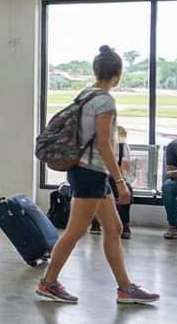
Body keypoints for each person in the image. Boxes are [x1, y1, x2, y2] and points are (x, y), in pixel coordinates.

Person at [37, 46, 158, 305]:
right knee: (75, 231)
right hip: (90, 172)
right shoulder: (105, 101)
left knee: (114, 228)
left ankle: (125, 288)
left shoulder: (86, 95)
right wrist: (120, 181)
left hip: (89, 172)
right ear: (117, 74)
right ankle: (48, 283)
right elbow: (104, 143)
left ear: (96, 70)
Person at [89, 125, 133, 239]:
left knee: (126, 191)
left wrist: (120, 180)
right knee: (97, 187)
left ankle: (124, 224)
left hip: (114, 177)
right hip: (102, 176)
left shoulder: (122, 147)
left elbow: (124, 168)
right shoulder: (99, 146)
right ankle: (96, 222)